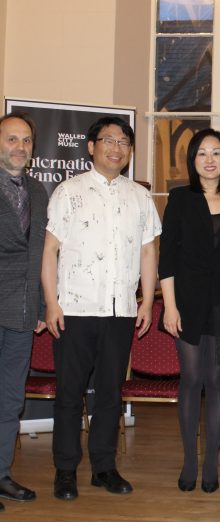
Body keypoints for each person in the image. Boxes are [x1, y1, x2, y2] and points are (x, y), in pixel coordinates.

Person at [41, 116, 161, 501]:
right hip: (74, 310)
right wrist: (51, 302)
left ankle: (104, 468)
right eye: (108, 140)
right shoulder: (68, 191)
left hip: (120, 311)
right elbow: (50, 251)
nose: (116, 148)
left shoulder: (140, 196)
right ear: (91, 147)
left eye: (124, 141)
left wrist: (146, 300)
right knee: (70, 393)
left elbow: (148, 251)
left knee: (110, 392)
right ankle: (65, 470)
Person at [158, 128, 220, 493]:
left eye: (216, 152)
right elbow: (167, 257)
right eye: (202, 153)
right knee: (191, 378)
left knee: (217, 379)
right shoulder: (180, 198)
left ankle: (211, 463)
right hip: (187, 302)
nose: (210, 159)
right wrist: (169, 307)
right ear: (193, 160)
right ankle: (189, 460)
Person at [0, 112, 48, 511]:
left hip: (22, 310)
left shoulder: (37, 190)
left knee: (11, 399)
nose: (20, 147)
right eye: (12, 139)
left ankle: (0, 474)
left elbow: (41, 253)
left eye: (26, 140)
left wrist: (42, 304)